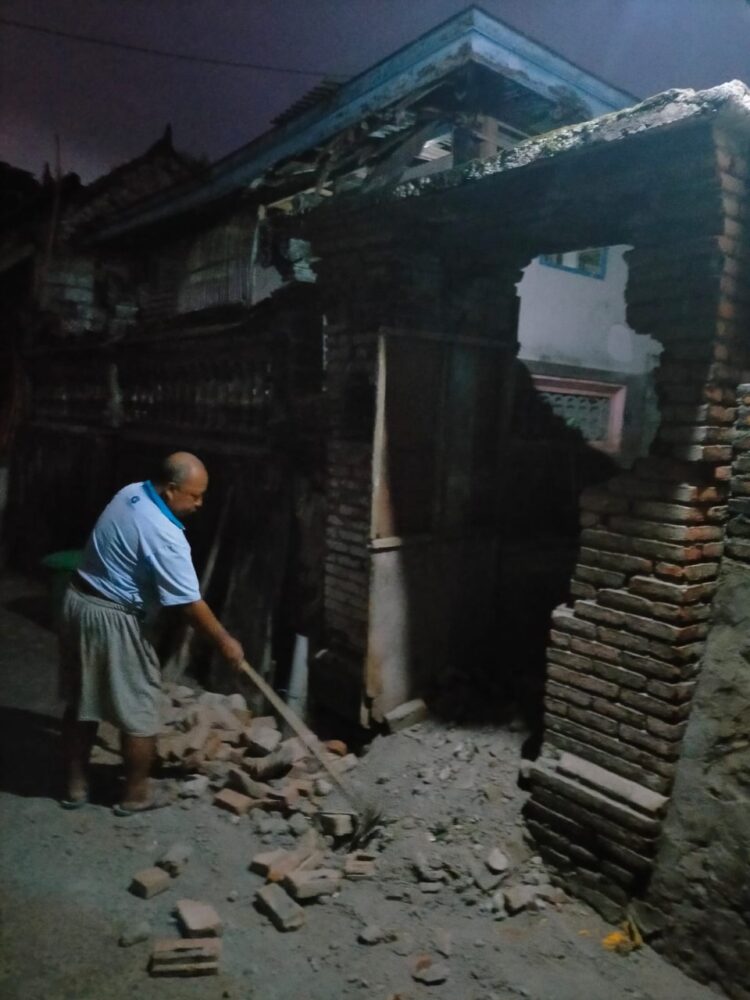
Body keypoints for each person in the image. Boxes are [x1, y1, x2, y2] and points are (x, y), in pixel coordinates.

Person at [58, 451, 244, 814]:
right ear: (172, 490)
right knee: (140, 706)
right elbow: (190, 604)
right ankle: (137, 794)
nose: (200, 503)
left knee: (82, 702)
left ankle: (75, 786)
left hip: (77, 600)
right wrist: (225, 642)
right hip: (113, 616)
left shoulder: (130, 493)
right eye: (195, 495)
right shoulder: (164, 534)